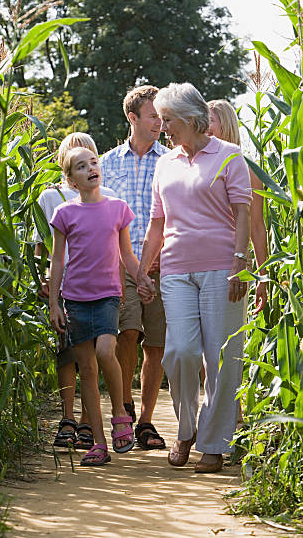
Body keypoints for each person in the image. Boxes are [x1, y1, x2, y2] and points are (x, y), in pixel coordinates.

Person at [137, 82, 252, 473]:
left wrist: (241, 264)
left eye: (168, 120)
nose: (163, 128)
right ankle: (186, 430)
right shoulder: (164, 163)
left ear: (190, 118)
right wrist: (141, 270)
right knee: (180, 352)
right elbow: (157, 223)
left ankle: (214, 444)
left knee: (221, 358)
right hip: (175, 270)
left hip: (222, 268)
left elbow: (243, 217)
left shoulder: (230, 156)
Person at [49, 147, 152, 466]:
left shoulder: (118, 209)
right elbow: (57, 259)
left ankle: (120, 411)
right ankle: (98, 442)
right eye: (81, 166)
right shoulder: (64, 214)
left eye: (93, 162)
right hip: (75, 300)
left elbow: (127, 255)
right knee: (88, 371)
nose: (91, 168)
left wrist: (142, 278)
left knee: (106, 352)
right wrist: (54, 302)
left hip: (109, 296)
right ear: (71, 180)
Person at [35, 133, 115, 450]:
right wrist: (44, 284)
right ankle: (67, 417)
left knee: (92, 355)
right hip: (63, 285)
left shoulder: (106, 194)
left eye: (90, 156)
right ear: (65, 165)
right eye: (73, 157)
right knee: (66, 353)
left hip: (98, 285)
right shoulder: (49, 197)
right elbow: (42, 248)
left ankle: (86, 419)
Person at [100, 85, 169, 450]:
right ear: (133, 118)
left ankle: (145, 422)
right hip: (122, 261)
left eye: (161, 116)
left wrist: (158, 256)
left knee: (155, 345)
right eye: (153, 116)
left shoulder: (172, 161)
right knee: (127, 333)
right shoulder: (107, 163)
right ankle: (124, 407)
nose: (160, 122)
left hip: (161, 261)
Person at [208, 99, 268, 312]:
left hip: (233, 261)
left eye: (209, 121)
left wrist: (263, 276)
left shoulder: (248, 170)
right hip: (197, 261)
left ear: (226, 124)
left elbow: (257, 227)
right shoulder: (194, 166)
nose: (203, 127)